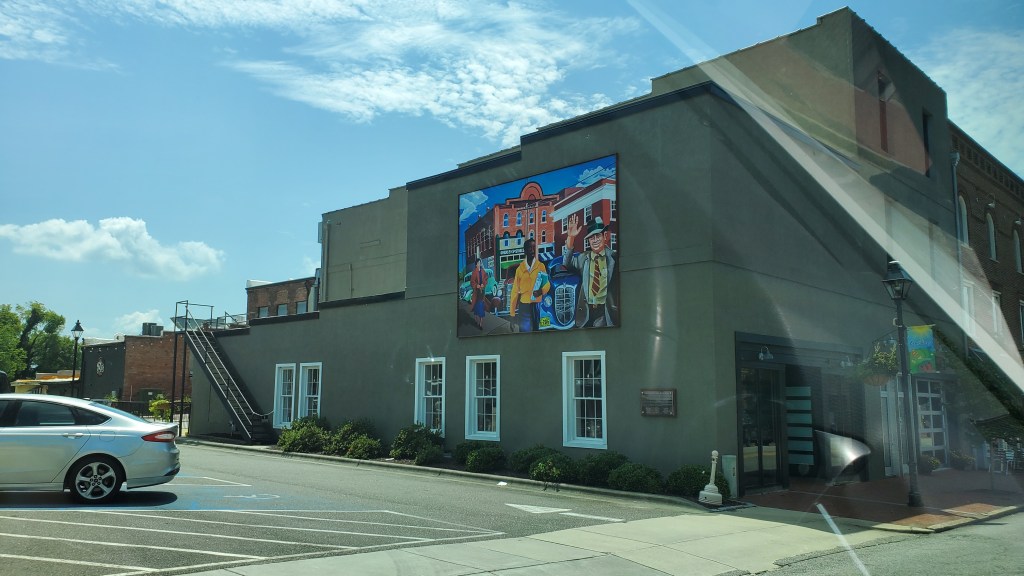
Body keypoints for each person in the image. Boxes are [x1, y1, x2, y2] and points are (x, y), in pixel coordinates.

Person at [563, 214, 617, 328]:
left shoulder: (614, 258)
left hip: (605, 312)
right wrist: (571, 238)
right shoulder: (583, 258)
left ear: (604, 236)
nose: (595, 240)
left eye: (598, 236)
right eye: (592, 237)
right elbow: (566, 263)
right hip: (586, 314)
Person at [509, 238, 549, 332]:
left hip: (537, 306)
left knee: (537, 334)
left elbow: (547, 284)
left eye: (534, 247)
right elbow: (515, 292)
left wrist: (541, 291)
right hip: (524, 307)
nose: (532, 250)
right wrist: (512, 314)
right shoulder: (520, 270)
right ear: (525, 251)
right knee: (524, 333)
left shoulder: (541, 266)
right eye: (529, 248)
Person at [469, 258, 488, 329]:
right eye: (478, 263)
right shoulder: (474, 272)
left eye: (480, 263)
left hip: (482, 292)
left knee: (481, 307)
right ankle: (476, 321)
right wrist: (476, 285)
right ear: (476, 264)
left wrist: (483, 284)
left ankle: (480, 324)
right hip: (476, 292)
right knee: (476, 307)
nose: (479, 264)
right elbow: (472, 282)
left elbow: (486, 278)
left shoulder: (483, 271)